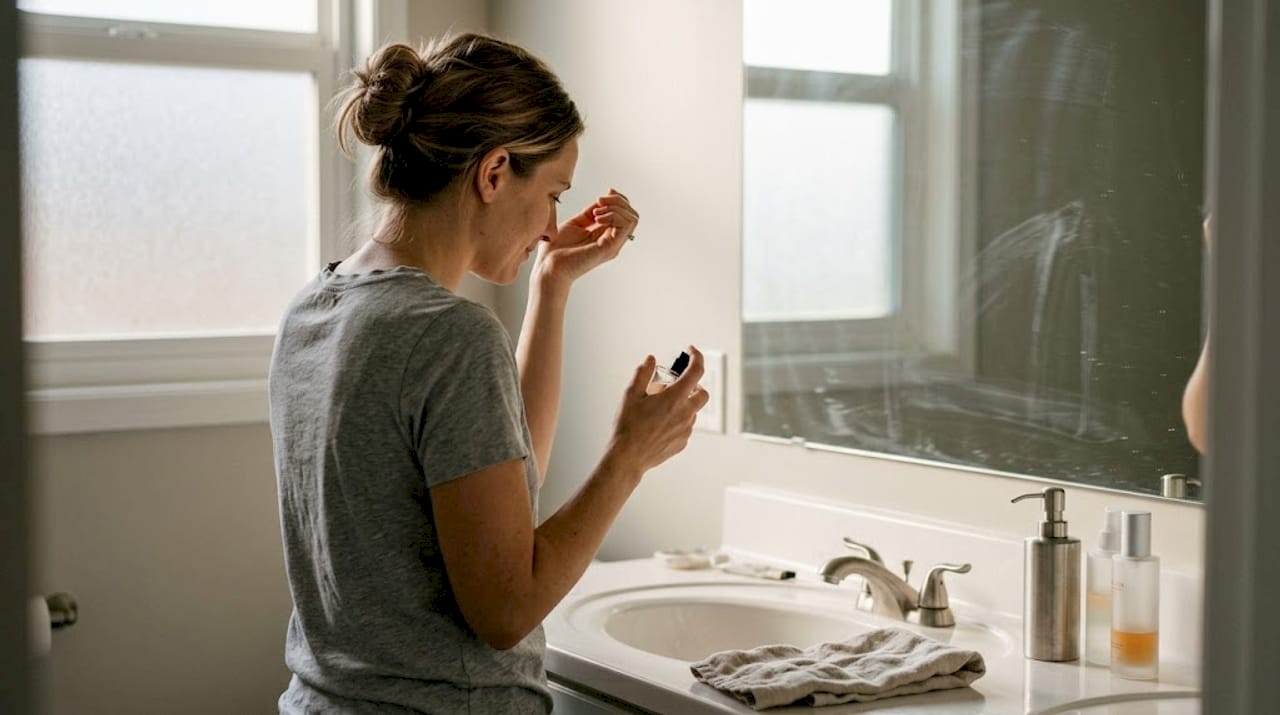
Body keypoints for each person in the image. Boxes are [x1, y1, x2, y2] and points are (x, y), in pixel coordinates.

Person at [267, 33, 708, 713]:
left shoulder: (313, 309)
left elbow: (501, 478)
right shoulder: (450, 335)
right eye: (555, 191)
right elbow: (506, 608)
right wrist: (629, 457)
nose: (550, 224)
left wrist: (552, 285)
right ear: (495, 171)